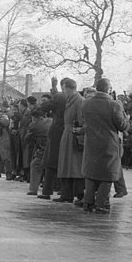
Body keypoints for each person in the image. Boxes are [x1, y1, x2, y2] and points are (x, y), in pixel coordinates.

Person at [79, 78, 131, 212]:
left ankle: (88, 202)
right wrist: (127, 119)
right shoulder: (114, 105)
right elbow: (122, 125)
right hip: (109, 143)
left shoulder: (86, 104)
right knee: (108, 174)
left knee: (91, 172)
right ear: (109, 89)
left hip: (91, 142)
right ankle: (101, 203)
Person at [55, 77, 85, 205]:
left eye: (64, 89)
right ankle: (67, 193)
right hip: (67, 134)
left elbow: (82, 121)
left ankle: (76, 193)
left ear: (69, 89)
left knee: (74, 167)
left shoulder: (79, 101)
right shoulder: (71, 100)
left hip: (73, 136)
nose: (63, 92)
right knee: (66, 165)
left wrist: (79, 135)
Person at [38, 78, 67, 200]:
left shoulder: (59, 97)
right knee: (64, 161)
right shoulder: (74, 97)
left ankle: (47, 190)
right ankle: (63, 189)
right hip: (67, 131)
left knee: (51, 161)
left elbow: (45, 106)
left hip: (57, 131)